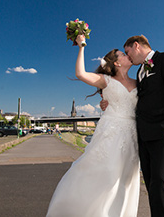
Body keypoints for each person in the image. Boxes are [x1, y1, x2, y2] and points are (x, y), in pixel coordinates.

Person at [46, 35, 140, 217]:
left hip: (132, 135)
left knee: (126, 179)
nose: (126, 54)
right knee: (107, 173)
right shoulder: (106, 81)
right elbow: (80, 74)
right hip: (110, 132)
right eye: (122, 54)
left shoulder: (138, 83)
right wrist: (82, 46)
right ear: (117, 63)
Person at [101, 35, 164, 217]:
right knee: (150, 181)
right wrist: (108, 102)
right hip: (142, 135)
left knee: (160, 180)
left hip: (163, 132)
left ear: (136, 46)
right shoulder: (139, 73)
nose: (128, 57)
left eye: (128, 52)